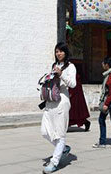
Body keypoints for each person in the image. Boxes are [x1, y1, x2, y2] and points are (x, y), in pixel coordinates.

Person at [41, 43, 76, 173]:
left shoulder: (71, 66)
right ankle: (63, 148)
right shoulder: (54, 65)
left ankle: (54, 162)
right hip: (51, 102)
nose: (58, 54)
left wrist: (61, 74)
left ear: (66, 53)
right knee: (45, 131)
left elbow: (73, 84)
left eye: (61, 51)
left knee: (60, 134)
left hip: (62, 102)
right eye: (57, 51)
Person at [93, 57, 111, 149]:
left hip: (110, 101)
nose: (102, 65)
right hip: (108, 100)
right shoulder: (108, 74)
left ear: (107, 64)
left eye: (103, 63)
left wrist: (106, 104)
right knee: (104, 120)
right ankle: (102, 142)